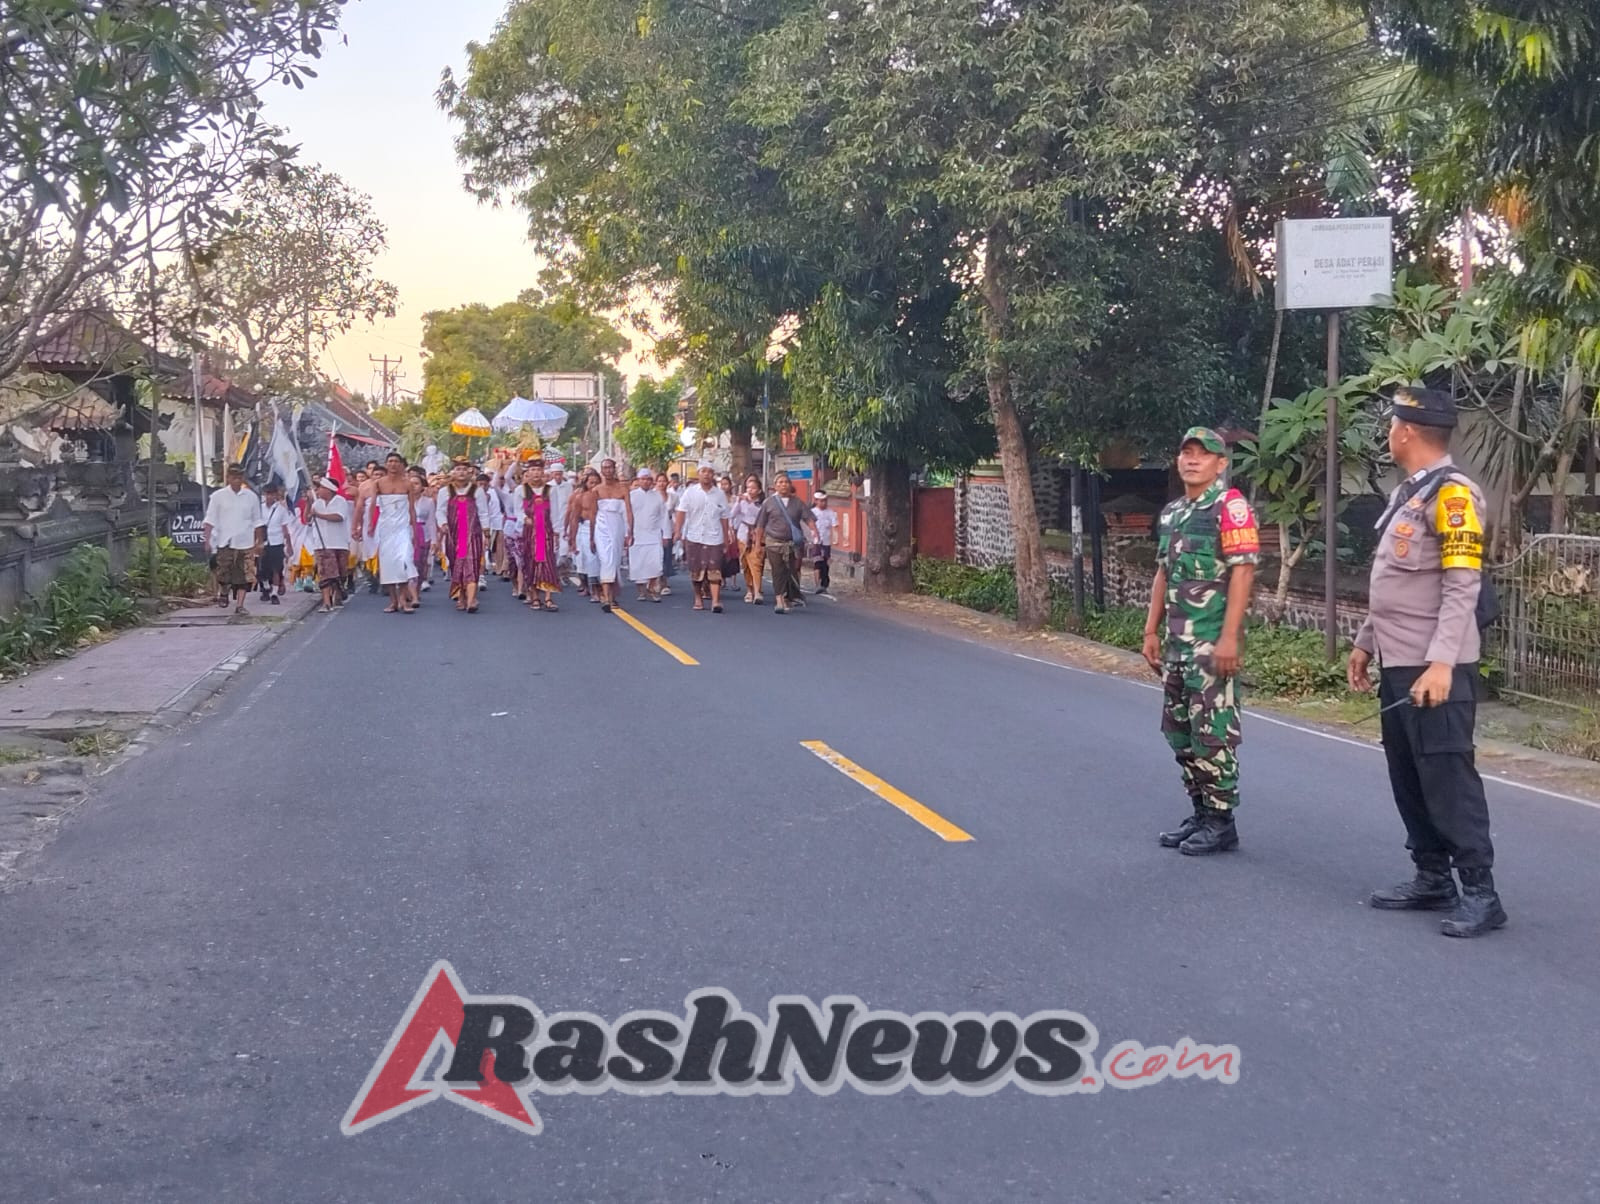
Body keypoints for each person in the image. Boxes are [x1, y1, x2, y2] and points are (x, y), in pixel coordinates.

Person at [1348, 386, 1505, 938]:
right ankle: (1431, 875)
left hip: (1435, 667)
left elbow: (1463, 586)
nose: (1390, 432)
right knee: (1409, 774)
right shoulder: (1410, 494)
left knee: (1446, 775)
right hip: (1398, 662)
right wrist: (1366, 642)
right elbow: (1392, 584)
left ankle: (1482, 894)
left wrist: (1441, 664)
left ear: (1407, 431)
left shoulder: (1454, 496)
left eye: (1392, 424)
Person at [1141, 427, 1259, 856]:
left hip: (1211, 645)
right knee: (1180, 732)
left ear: (1221, 463)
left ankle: (1222, 820)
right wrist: (1150, 630)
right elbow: (1162, 573)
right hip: (1176, 643)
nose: (1191, 460)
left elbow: (1243, 571)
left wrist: (1230, 638)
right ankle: (1201, 810)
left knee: (1214, 734)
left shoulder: (1231, 507)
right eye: (1185, 453)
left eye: (1202, 455)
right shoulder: (1173, 513)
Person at [202, 463, 265, 616]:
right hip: (225, 541)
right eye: (233, 477)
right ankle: (224, 591)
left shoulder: (251, 497)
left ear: (242, 478)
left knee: (244, 575)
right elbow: (209, 520)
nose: (236, 480)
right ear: (228, 478)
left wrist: (260, 542)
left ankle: (240, 605)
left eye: (239, 477)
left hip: (246, 542)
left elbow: (258, 521)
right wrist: (207, 540)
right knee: (223, 572)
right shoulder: (218, 497)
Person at [674, 461, 733, 613]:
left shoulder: (719, 494)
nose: (706, 474)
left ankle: (715, 601)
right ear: (698, 473)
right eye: (703, 471)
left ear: (713, 475)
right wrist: (677, 531)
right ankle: (698, 598)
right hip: (694, 536)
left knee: (715, 570)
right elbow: (681, 512)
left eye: (709, 472)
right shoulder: (690, 492)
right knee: (696, 570)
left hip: (714, 537)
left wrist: (726, 538)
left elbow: (724, 517)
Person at [753, 471, 815, 614]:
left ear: (790, 485)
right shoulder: (768, 502)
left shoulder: (797, 502)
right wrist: (757, 544)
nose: (783, 485)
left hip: (792, 544)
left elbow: (808, 519)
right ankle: (779, 599)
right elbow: (760, 525)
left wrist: (815, 534)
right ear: (775, 486)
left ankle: (788, 597)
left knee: (791, 571)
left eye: (786, 482)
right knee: (778, 571)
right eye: (780, 482)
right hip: (773, 543)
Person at [438, 459, 485, 612]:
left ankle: (471, 600)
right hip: (454, 535)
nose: (461, 472)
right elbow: (440, 510)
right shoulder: (445, 491)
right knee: (456, 564)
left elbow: (483, 512)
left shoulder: (476, 490)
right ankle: (461, 596)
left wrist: (487, 530)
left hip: (472, 534)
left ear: (469, 472)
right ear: (453, 472)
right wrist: (443, 523)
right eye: (458, 469)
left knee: (472, 564)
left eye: (464, 469)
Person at [304, 476, 353, 613]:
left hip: (339, 543)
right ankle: (326, 602)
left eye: (320, 488)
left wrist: (319, 515)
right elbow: (307, 519)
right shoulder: (316, 503)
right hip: (321, 544)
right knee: (325, 573)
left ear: (329, 490)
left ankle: (337, 596)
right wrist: (309, 504)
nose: (317, 490)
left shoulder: (340, 501)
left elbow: (338, 517)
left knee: (339, 573)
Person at [591, 458, 634, 612]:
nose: (608, 470)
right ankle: (606, 598)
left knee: (614, 560)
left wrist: (631, 531)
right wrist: (591, 537)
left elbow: (628, 511)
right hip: (601, 528)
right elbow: (592, 514)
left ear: (614, 469)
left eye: (610, 467)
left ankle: (612, 595)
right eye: (605, 468)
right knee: (605, 559)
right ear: (601, 471)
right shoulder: (596, 490)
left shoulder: (623, 489)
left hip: (617, 527)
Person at [519, 461, 562, 611]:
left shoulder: (551, 490)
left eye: (538, 469)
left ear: (543, 472)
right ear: (528, 472)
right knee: (532, 562)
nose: (536, 473)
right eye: (532, 469)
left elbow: (556, 512)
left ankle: (549, 598)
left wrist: (557, 531)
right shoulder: (521, 490)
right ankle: (535, 596)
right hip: (530, 532)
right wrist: (525, 518)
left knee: (547, 562)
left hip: (546, 531)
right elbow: (517, 510)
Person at [628, 467, 667, 601]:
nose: (645, 482)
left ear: (651, 481)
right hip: (636, 536)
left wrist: (666, 535)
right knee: (638, 565)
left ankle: (653, 589)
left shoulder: (657, 496)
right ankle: (641, 592)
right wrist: (626, 534)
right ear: (638, 480)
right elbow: (626, 516)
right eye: (642, 479)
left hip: (654, 536)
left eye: (648, 479)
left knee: (655, 565)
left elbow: (663, 517)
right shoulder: (631, 496)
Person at [565, 469, 600, 599]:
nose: (594, 486)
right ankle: (586, 586)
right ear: (586, 483)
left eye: (597, 483)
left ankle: (598, 589)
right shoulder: (579, 496)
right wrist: (571, 537)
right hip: (583, 529)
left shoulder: (603, 497)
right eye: (591, 483)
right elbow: (572, 516)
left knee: (595, 560)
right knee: (583, 559)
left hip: (600, 529)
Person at [730, 476, 765, 604]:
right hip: (743, 533)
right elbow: (732, 514)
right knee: (745, 564)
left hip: (757, 534)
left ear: (759, 490)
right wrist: (738, 502)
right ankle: (749, 589)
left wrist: (749, 503)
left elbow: (759, 515)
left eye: (753, 488)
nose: (750, 490)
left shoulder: (762, 504)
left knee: (756, 563)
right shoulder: (742, 501)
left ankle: (757, 592)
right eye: (748, 488)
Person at [256, 482, 291, 606]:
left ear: (276, 495)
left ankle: (274, 593)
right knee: (262, 569)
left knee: (277, 568)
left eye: (272, 494)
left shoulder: (281, 510)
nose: (270, 497)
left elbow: (285, 528)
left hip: (277, 541)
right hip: (263, 542)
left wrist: (289, 544)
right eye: (267, 494)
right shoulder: (259, 509)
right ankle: (265, 587)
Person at [409, 468, 435, 595]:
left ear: (422, 486)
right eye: (411, 483)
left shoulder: (428, 502)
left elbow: (431, 522)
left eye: (416, 483)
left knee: (421, 564)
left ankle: (417, 589)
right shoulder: (403, 501)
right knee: (409, 562)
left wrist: (434, 540)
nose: (413, 486)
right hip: (406, 534)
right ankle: (410, 592)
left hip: (423, 534)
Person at [810, 487, 838, 595]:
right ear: (816, 501)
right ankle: (817, 584)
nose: (823, 503)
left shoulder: (830, 513)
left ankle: (824, 583)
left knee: (825, 564)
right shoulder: (812, 512)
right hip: (816, 541)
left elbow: (835, 526)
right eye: (821, 501)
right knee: (817, 562)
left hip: (826, 541)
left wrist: (836, 539)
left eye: (825, 501)